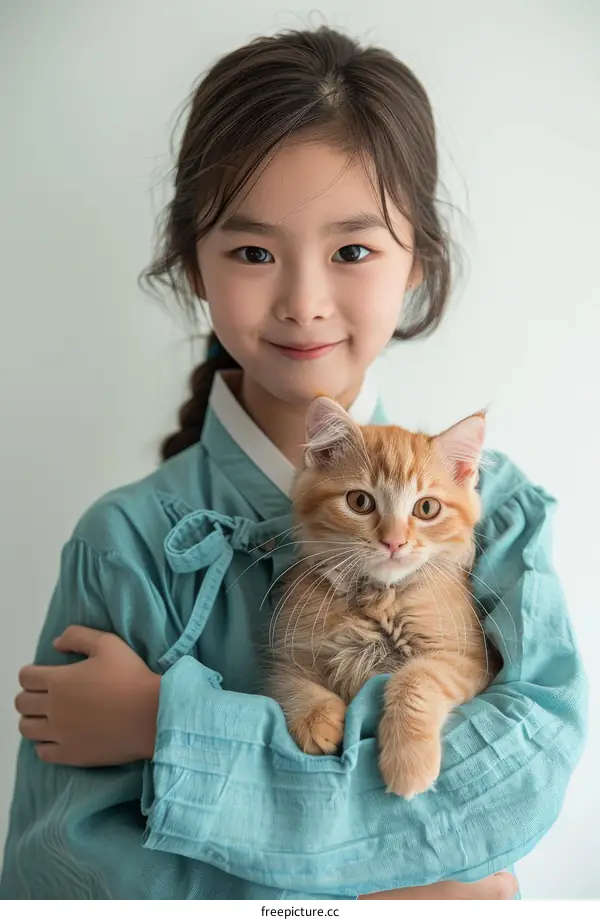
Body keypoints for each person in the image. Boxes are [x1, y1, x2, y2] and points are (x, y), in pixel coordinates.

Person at [1, 26, 586, 900]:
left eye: (353, 250)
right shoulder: (126, 543)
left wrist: (171, 726)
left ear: (416, 260)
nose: (304, 304)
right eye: (252, 252)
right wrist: (379, 897)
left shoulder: (491, 510)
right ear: (192, 263)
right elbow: (67, 881)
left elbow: (519, 779)